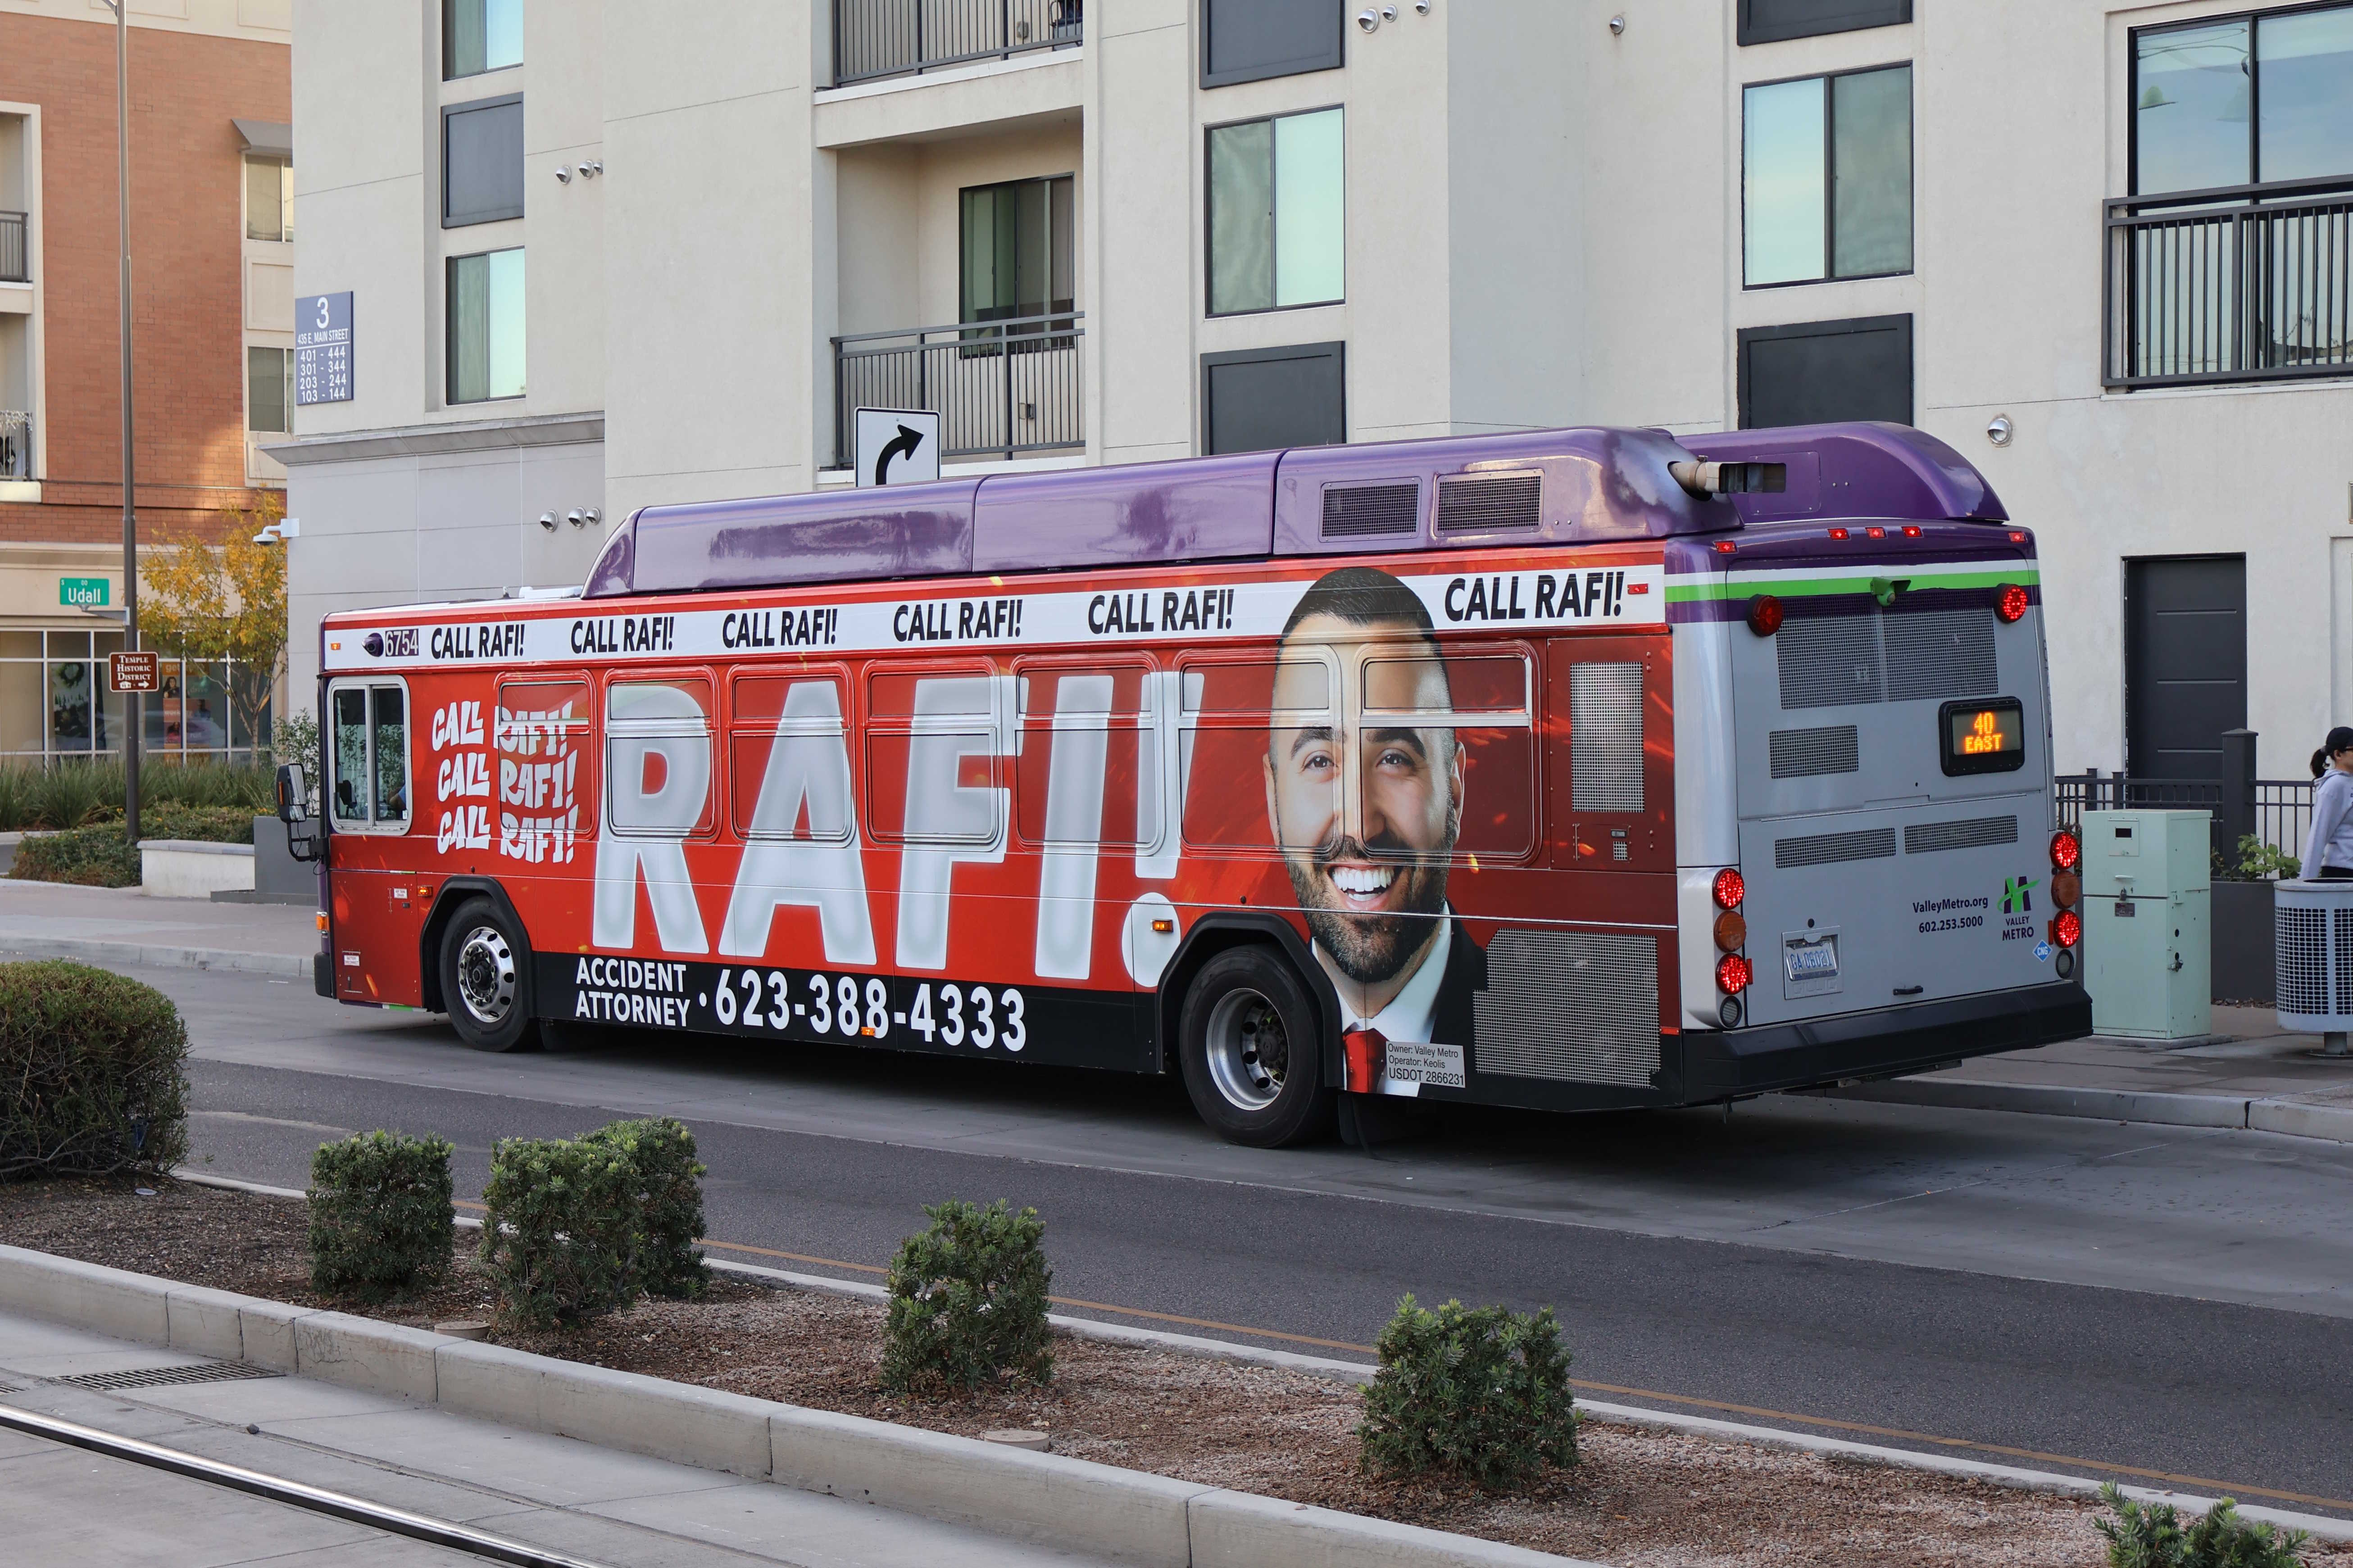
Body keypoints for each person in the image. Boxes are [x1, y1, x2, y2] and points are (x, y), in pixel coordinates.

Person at [1261, 566, 1485, 1096]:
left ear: (1454, 786)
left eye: (1393, 758)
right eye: (1319, 760)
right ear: (1273, 799)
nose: (1360, 826)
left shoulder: (1536, 1020)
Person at [2301, 726, 2353, 882]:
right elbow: (2318, 835)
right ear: (2338, 755)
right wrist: (2305, 884)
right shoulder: (2333, 787)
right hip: (2343, 873)